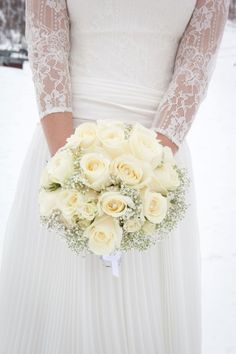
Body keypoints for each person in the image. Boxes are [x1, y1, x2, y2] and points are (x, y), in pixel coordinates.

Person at [0, 0, 229, 353]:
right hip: (62, 145)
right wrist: (74, 175)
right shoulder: (67, 162)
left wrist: (147, 175)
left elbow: (194, 68)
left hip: (159, 162)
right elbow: (48, 49)